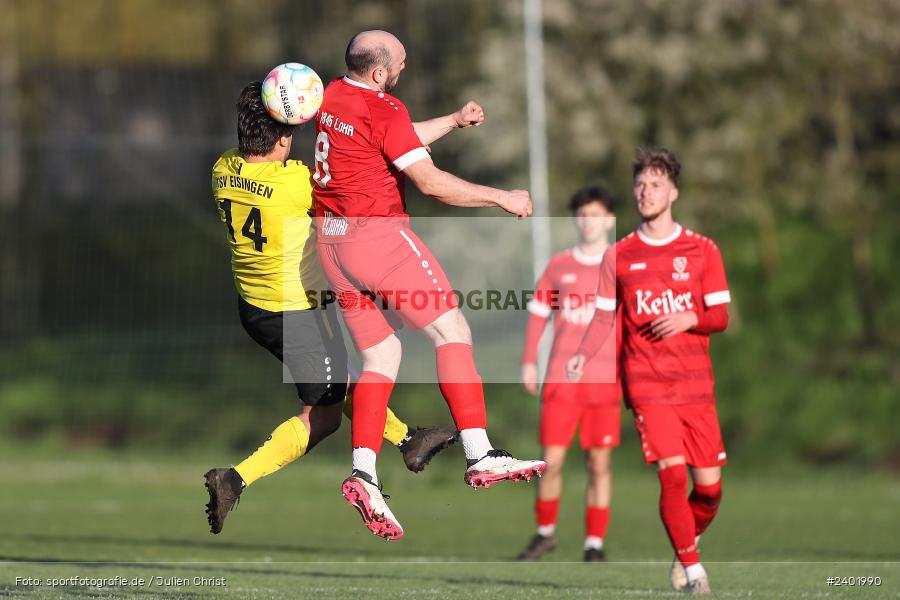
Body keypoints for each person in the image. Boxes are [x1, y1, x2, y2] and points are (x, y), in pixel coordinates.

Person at [313, 30, 545, 540]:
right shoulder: (385, 108)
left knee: (380, 360)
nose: (404, 67)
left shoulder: (333, 94)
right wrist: (501, 198)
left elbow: (392, 137)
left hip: (330, 244)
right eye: (399, 62)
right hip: (378, 240)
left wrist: (455, 121)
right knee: (452, 332)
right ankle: (480, 453)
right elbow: (431, 182)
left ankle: (365, 474)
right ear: (380, 73)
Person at [203, 81, 458, 535]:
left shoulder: (222, 169)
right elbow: (377, 153)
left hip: (255, 307)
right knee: (320, 416)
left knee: (335, 383)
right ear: (283, 139)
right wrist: (451, 123)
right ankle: (235, 479)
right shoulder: (296, 186)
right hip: (296, 312)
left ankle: (408, 439)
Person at [568, 146, 730, 594]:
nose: (645, 192)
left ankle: (686, 541)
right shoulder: (618, 255)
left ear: (673, 191)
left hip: (696, 386)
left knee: (710, 491)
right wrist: (583, 354)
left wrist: (690, 317)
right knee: (672, 476)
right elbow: (603, 317)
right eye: (639, 184)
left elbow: (720, 316)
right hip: (646, 383)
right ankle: (694, 571)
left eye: (655, 184)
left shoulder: (702, 250)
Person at [518, 186, 621, 562]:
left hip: (605, 381)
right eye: (580, 213)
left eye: (594, 214)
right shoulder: (560, 265)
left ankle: (594, 543)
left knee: (599, 463)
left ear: (609, 220)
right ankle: (545, 533)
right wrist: (529, 360)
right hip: (562, 379)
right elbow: (539, 315)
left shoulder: (621, 265)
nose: (586, 221)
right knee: (552, 461)